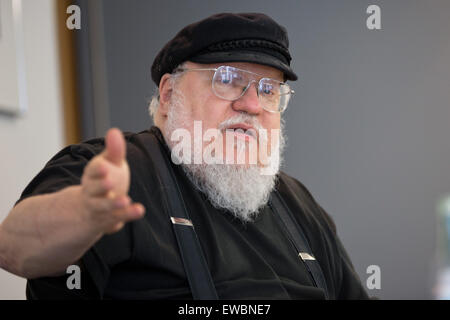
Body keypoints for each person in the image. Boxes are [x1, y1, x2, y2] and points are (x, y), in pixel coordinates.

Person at [0, 12, 369, 299]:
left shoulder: (298, 205)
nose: (252, 104)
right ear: (167, 93)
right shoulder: (116, 172)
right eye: (227, 79)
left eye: (269, 89)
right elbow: (13, 249)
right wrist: (84, 212)